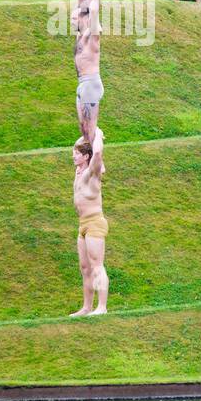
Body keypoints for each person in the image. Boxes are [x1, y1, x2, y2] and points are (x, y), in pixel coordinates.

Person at [70, 127, 109, 317]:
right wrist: (87, 133)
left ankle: (102, 307)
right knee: (85, 268)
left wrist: (97, 134)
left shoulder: (92, 173)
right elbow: (85, 144)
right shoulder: (79, 171)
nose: (73, 156)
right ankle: (86, 307)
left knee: (96, 265)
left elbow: (98, 152)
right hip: (82, 225)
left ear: (86, 156)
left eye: (77, 154)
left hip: (95, 223)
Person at [73, 0, 103, 143]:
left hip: (90, 83)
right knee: (83, 128)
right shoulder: (80, 35)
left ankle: (96, 162)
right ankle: (89, 158)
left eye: (74, 18)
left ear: (83, 19)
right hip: (82, 84)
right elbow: (81, 6)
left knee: (89, 129)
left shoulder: (93, 36)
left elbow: (92, 13)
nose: (71, 21)